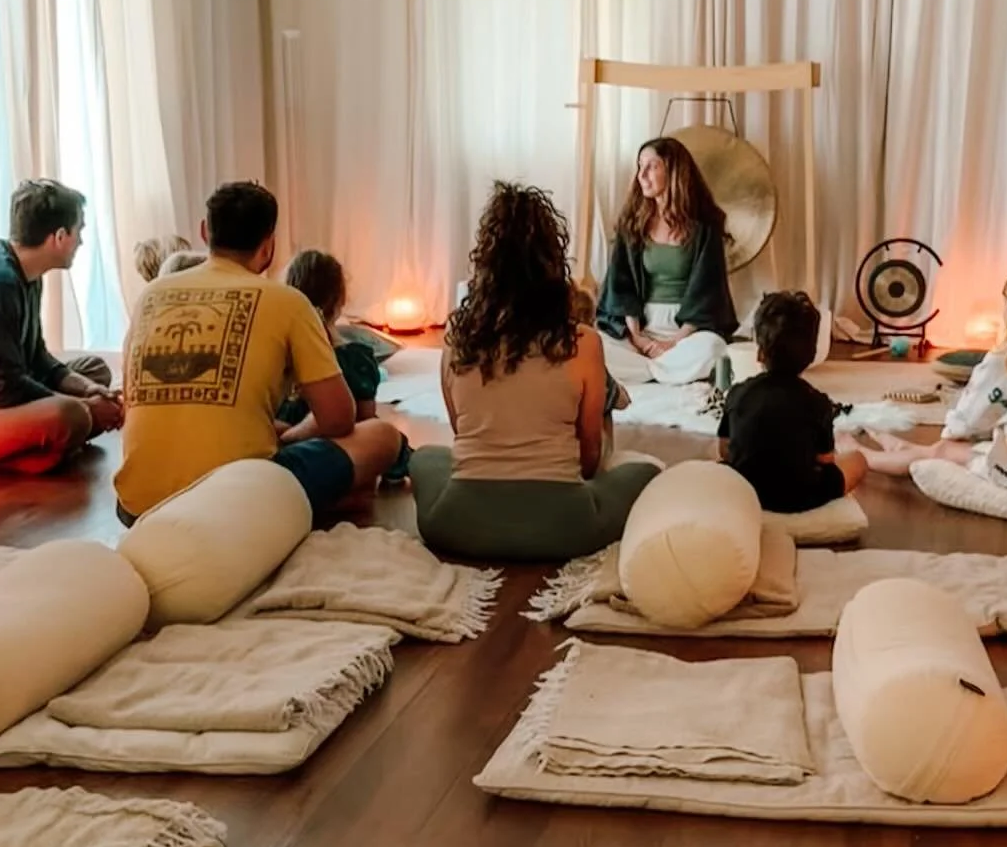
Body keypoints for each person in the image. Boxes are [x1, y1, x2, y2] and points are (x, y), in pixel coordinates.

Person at [115, 182, 402, 523]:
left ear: (205, 232)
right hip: (239, 504)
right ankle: (299, 511)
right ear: (268, 246)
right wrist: (289, 437)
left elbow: (131, 401)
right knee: (383, 437)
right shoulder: (289, 303)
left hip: (138, 506)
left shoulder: (151, 295)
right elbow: (339, 418)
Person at [410, 182, 660, 562]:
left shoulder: (456, 338)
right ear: (553, 265)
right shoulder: (583, 343)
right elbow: (589, 458)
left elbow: (462, 434)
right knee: (644, 473)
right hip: (565, 528)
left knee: (426, 457)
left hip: (457, 526)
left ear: (484, 265)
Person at [856, 263, 1007, 504]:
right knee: (968, 446)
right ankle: (900, 447)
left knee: (944, 449)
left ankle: (863, 458)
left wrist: (952, 434)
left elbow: (965, 422)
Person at [0, 180, 122, 473]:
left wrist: (89, 388)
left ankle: (40, 449)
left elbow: (37, 358)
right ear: (59, 236)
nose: (81, 242)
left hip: (5, 394)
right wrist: (83, 406)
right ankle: (29, 454)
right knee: (72, 416)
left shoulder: (28, 274)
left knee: (96, 370)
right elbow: (1, 387)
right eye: (79, 231)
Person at [595, 137, 737, 387]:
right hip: (640, 328)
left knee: (713, 348)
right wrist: (638, 338)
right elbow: (621, 285)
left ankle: (646, 371)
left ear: (673, 171)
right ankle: (664, 370)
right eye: (640, 166)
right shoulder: (633, 223)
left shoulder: (704, 228)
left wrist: (675, 342)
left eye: (652, 166)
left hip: (688, 331)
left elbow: (708, 293)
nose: (642, 175)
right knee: (595, 345)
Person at [720, 290, 866, 513]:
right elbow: (825, 461)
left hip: (745, 489)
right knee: (858, 460)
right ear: (810, 355)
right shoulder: (818, 402)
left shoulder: (738, 393)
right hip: (800, 498)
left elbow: (724, 450)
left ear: (760, 353)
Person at [281, 249, 411, 482]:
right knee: (388, 438)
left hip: (286, 440)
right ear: (341, 299)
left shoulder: (278, 353)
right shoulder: (355, 358)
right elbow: (365, 418)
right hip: (334, 449)